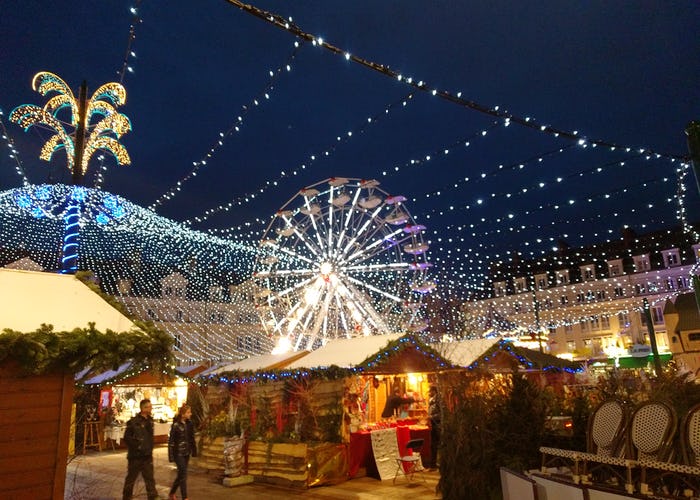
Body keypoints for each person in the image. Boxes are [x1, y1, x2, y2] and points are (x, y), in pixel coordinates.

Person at [122, 399, 158, 500]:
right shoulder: (133, 422)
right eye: (149, 407)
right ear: (143, 408)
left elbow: (150, 437)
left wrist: (150, 448)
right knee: (131, 478)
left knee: (150, 478)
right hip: (135, 456)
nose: (151, 408)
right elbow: (126, 438)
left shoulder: (150, 421)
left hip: (147, 455)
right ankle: (127, 496)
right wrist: (137, 446)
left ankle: (153, 496)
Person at [168, 404, 197, 500]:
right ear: (183, 414)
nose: (190, 414)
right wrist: (171, 456)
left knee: (181, 474)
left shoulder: (190, 424)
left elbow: (192, 438)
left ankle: (172, 493)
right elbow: (171, 441)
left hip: (186, 452)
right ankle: (185, 497)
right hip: (178, 453)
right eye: (188, 412)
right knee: (183, 474)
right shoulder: (176, 425)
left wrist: (194, 450)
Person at [428, 386, 442, 469]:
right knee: (433, 445)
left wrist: (431, 417)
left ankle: (438, 463)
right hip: (433, 424)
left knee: (437, 444)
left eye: (430, 391)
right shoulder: (432, 400)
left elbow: (441, 414)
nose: (429, 393)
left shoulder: (438, 400)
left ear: (434, 391)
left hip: (438, 425)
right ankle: (433, 464)